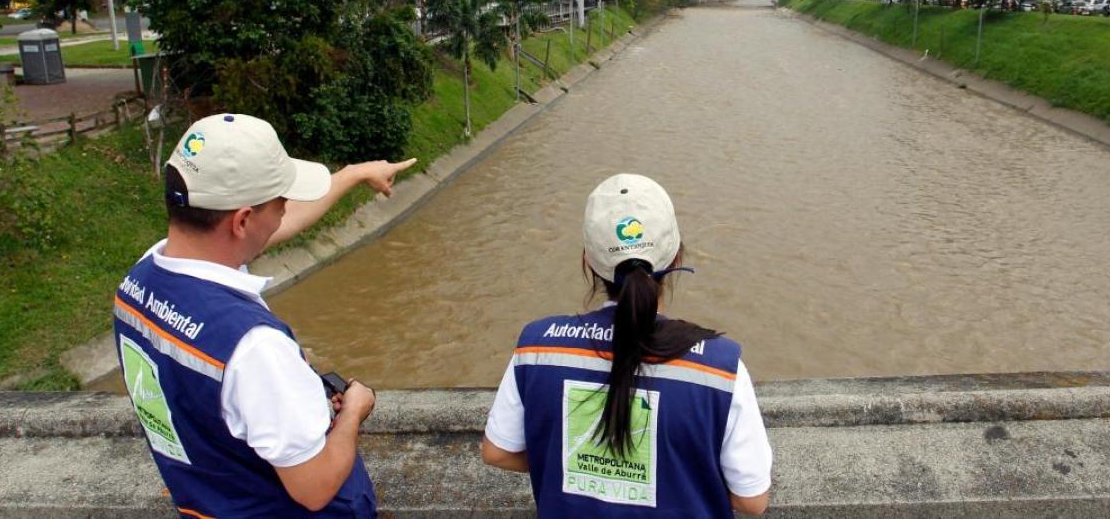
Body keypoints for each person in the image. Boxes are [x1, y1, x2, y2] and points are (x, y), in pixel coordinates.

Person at [113, 113, 415, 518]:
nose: (284, 213)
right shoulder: (254, 349)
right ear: (241, 220)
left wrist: (353, 175)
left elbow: (206, 384)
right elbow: (314, 487)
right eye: (280, 202)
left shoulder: (142, 280)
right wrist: (355, 410)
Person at [481, 174, 772, 517]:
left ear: (588, 261)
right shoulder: (720, 367)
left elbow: (497, 452)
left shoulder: (535, 348)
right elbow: (752, 500)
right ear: (676, 257)